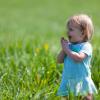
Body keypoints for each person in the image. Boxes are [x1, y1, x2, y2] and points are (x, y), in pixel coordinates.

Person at [56, 14, 98, 100]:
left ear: (82, 33)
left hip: (82, 79)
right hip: (68, 79)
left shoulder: (86, 46)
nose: (67, 32)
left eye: (71, 29)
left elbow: (78, 58)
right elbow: (59, 60)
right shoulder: (69, 46)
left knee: (86, 97)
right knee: (65, 97)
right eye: (68, 29)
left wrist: (67, 50)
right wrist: (64, 49)